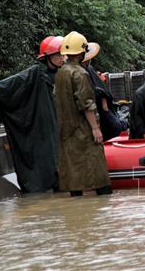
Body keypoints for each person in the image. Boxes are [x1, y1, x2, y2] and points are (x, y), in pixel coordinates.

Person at [0, 35, 64, 193]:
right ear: (47, 57)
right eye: (57, 54)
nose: (61, 58)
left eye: (62, 54)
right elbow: (16, 81)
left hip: (57, 123)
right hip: (42, 124)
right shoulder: (36, 72)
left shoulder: (63, 73)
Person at [54, 31, 112, 197]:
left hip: (67, 131)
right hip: (83, 130)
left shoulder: (60, 73)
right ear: (81, 53)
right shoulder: (80, 73)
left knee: (74, 175)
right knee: (98, 172)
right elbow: (86, 103)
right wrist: (95, 128)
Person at [81, 42, 128, 141]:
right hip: (100, 112)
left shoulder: (85, 71)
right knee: (117, 128)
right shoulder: (83, 73)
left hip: (100, 112)